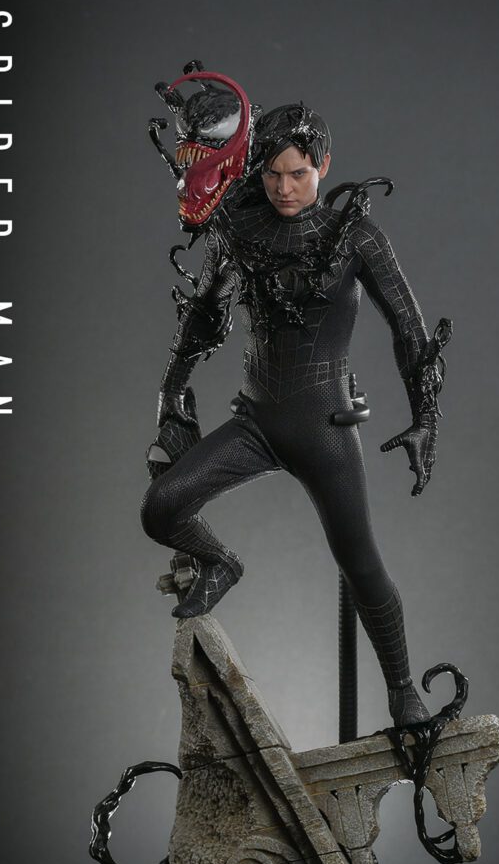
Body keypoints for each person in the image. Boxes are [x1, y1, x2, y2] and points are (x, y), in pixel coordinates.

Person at [141, 102, 446, 729]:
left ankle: (402, 690)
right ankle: (221, 562)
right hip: (255, 424)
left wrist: (425, 418)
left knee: (361, 565)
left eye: (299, 174)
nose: (284, 188)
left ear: (323, 166)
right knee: (161, 507)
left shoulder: (355, 236)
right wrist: (172, 390)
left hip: (324, 430)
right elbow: (204, 312)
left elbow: (409, 329)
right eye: (274, 174)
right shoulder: (241, 225)